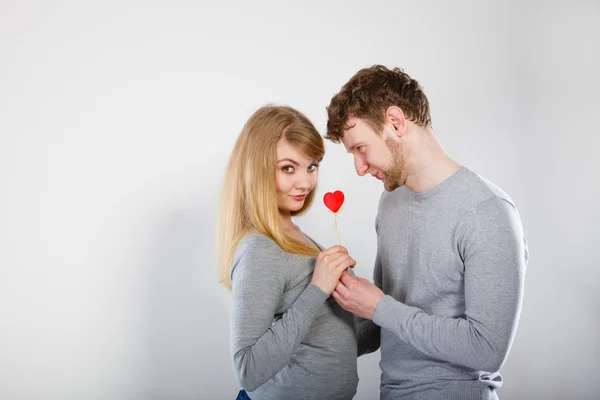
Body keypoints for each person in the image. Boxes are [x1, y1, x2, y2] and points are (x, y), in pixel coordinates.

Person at [324, 65, 529, 400]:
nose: (359, 168)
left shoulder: (487, 212)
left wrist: (379, 307)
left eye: (360, 148)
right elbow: (383, 322)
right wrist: (315, 330)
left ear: (395, 122)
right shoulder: (390, 202)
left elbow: (487, 349)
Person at [217, 105, 359, 399]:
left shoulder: (298, 238)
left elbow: (333, 342)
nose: (305, 182)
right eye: (288, 168)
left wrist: (377, 307)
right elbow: (248, 369)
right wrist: (317, 289)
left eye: (312, 166)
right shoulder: (261, 248)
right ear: (257, 170)